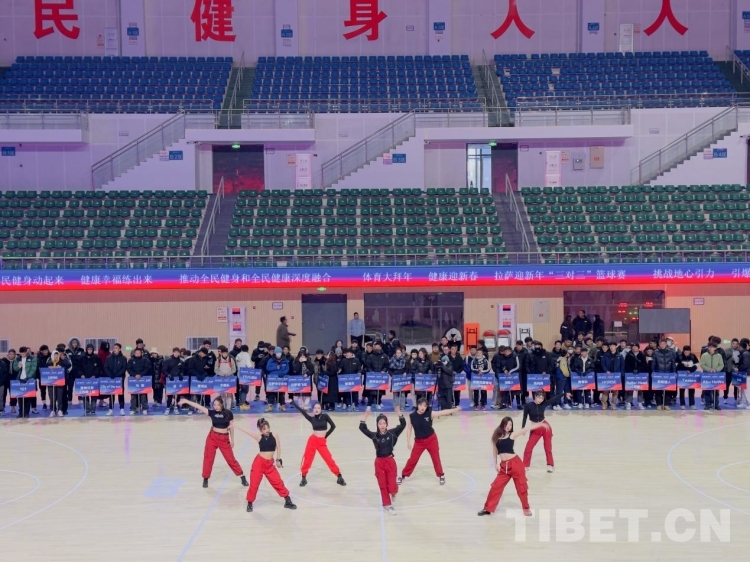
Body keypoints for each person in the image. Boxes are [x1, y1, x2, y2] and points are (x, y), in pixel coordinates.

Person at [477, 417, 543, 517]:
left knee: (521, 488)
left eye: (510, 425)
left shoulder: (512, 435)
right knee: (495, 487)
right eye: (507, 424)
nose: (508, 426)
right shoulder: (496, 437)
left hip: (516, 465)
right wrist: (495, 463)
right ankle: (488, 508)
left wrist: (540, 424)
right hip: (504, 467)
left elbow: (524, 429)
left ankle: (526, 508)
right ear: (502, 424)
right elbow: (495, 451)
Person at [179, 396, 248, 488]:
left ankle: (242, 476)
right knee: (208, 457)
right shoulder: (212, 413)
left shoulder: (228, 413)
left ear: (222, 405)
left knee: (230, 459)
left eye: (218, 405)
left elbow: (231, 427)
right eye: (214, 405)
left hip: (224, 439)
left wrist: (232, 440)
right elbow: (198, 406)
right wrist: (186, 400)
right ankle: (205, 478)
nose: (216, 407)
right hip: (212, 437)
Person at [235, 418, 297, 513]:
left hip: (269, 465)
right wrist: (235, 425)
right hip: (259, 463)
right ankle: (250, 502)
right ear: (261, 430)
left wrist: (278, 459)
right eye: (264, 429)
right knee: (254, 484)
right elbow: (247, 431)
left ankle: (287, 500)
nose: (267, 430)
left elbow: (279, 447)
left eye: (268, 428)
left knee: (278, 482)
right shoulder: (259, 437)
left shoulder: (275, 435)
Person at [398, 398, 460, 486]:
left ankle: (441, 475)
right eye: (421, 405)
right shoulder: (412, 416)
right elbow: (409, 429)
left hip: (431, 440)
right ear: (417, 405)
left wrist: (455, 409)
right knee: (412, 460)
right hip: (419, 442)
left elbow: (442, 412)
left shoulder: (430, 413)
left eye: (425, 406)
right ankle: (403, 475)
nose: (422, 407)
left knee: (436, 458)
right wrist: (408, 442)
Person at [359, 405, 406, 515]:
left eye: (384, 423)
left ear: (387, 424)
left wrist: (399, 412)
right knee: (382, 485)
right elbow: (362, 428)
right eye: (380, 423)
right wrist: (365, 415)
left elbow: (403, 424)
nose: (382, 425)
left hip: (390, 461)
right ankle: (387, 505)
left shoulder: (392, 433)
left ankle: (393, 493)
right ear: (377, 425)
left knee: (392, 487)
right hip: (379, 463)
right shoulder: (374, 436)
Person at [290, 400, 346, 487]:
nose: (316, 409)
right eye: (315, 408)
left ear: (321, 409)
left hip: (321, 442)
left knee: (329, 459)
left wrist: (325, 436)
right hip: (312, 441)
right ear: (313, 409)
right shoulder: (311, 419)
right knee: (308, 459)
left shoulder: (325, 416)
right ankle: (303, 477)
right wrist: (293, 403)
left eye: (318, 408)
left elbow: (333, 426)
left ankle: (339, 476)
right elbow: (302, 411)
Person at [522, 391, 566, 472]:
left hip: (545, 427)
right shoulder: (528, 405)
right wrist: (523, 428)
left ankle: (550, 465)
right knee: (528, 448)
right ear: (535, 396)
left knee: (548, 447)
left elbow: (554, 399)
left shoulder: (544, 404)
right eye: (539, 398)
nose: (540, 400)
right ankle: (525, 465)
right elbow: (525, 417)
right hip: (535, 428)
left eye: (542, 398)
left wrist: (564, 394)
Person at [42, 346, 71, 418]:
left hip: (60, 382)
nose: (56, 356)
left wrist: (63, 360)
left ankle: (60, 410)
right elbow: (44, 370)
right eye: (55, 355)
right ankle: (52, 410)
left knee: (60, 396)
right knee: (52, 397)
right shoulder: (49, 362)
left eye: (57, 355)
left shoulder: (62, 361)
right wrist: (49, 368)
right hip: (51, 383)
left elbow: (68, 365)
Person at [13, 347, 38, 418]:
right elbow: (15, 368)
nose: (22, 355)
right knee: (20, 397)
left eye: (24, 353)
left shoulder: (32, 358)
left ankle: (26, 412)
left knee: (28, 397)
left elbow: (33, 369)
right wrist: (18, 366)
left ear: (26, 352)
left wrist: (28, 377)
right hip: (19, 379)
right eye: (21, 353)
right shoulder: (17, 359)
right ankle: (21, 412)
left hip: (28, 379)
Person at [104, 343, 127, 416]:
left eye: (116, 348)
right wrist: (110, 374)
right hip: (111, 379)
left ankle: (122, 409)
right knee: (111, 394)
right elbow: (106, 367)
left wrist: (117, 375)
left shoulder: (123, 358)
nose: (114, 349)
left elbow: (124, 368)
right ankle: (110, 409)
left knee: (121, 393)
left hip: (120, 378)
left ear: (119, 349)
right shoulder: (108, 358)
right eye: (114, 348)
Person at [127, 347, 151, 415]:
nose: (137, 354)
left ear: (141, 353)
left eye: (139, 353)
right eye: (136, 353)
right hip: (133, 379)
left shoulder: (145, 360)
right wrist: (134, 375)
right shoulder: (131, 360)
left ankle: (144, 408)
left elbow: (147, 368)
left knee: (143, 394)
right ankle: (133, 408)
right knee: (133, 395)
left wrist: (141, 375)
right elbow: (128, 369)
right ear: (134, 353)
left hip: (143, 379)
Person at [600, 342, 624, 411]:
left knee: (615, 391)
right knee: (605, 391)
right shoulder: (605, 355)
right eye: (610, 346)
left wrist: (621, 374)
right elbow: (603, 364)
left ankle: (614, 404)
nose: (611, 347)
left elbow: (622, 366)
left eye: (613, 346)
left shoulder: (620, 355)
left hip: (616, 376)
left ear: (616, 347)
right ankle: (604, 404)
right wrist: (606, 370)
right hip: (607, 375)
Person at [701, 342, 724, 411]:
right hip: (706, 375)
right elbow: (702, 364)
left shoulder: (719, 356)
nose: (710, 348)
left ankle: (716, 404)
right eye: (709, 347)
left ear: (715, 348)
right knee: (707, 390)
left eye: (712, 347)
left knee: (716, 390)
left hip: (716, 375)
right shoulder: (704, 355)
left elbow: (721, 365)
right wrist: (709, 369)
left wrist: (716, 369)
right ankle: (708, 404)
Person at [80, 343, 103, 415]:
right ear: (86, 350)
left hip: (94, 379)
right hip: (84, 379)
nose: (90, 351)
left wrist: (95, 375)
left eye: (91, 349)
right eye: (88, 349)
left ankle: (93, 408)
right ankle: (87, 408)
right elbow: (79, 367)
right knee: (85, 394)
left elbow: (99, 367)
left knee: (94, 394)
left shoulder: (96, 357)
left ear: (93, 350)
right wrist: (81, 374)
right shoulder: (82, 357)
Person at [654, 339, 677, 411]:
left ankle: (666, 404)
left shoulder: (671, 352)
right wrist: (653, 372)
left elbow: (673, 363)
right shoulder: (656, 352)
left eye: (664, 344)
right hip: (658, 373)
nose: (662, 345)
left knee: (667, 390)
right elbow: (653, 363)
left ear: (666, 344)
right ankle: (659, 404)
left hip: (668, 373)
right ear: (659, 345)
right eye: (661, 344)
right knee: (658, 390)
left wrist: (674, 372)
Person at [265, 347, 289, 413]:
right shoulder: (271, 360)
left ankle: (282, 405)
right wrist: (276, 367)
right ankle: (270, 406)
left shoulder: (284, 360)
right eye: (277, 352)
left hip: (281, 379)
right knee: (271, 393)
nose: (279, 354)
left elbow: (287, 368)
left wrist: (283, 373)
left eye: (280, 352)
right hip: (273, 379)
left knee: (281, 393)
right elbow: (268, 368)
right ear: (275, 353)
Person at [366, 341, 390, 409]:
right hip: (373, 376)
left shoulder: (384, 356)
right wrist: (371, 371)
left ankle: (378, 402)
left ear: (381, 347)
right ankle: (369, 404)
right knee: (371, 391)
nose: (377, 348)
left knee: (380, 391)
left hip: (381, 376)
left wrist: (384, 370)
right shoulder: (371, 356)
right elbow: (368, 365)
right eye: (376, 347)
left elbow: (387, 365)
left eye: (378, 346)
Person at [677, 345, 700, 410]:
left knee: (691, 390)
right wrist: (684, 368)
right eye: (685, 352)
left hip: (691, 376)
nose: (687, 353)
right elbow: (676, 365)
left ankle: (692, 404)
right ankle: (682, 404)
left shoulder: (693, 356)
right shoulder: (679, 356)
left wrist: (691, 370)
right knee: (682, 390)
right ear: (683, 351)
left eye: (688, 352)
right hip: (682, 376)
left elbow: (697, 364)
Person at [163, 347, 185, 415]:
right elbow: (164, 370)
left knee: (177, 394)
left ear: (179, 353)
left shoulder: (181, 361)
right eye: (175, 352)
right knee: (170, 395)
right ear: (173, 352)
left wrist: (181, 374)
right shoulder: (168, 361)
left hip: (178, 380)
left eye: (177, 352)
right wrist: (168, 375)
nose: (176, 353)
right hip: (170, 380)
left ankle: (176, 407)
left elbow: (183, 370)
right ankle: (168, 407)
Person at [215, 345, 238, 411]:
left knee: (229, 394)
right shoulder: (218, 360)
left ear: (227, 353)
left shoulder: (231, 360)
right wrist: (222, 374)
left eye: (226, 353)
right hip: (221, 379)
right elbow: (216, 370)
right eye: (223, 353)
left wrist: (228, 374)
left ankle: (228, 408)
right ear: (221, 353)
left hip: (229, 379)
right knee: (222, 394)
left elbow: (234, 369)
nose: (225, 354)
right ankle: (223, 407)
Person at [235, 344, 253, 410]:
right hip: (245, 375)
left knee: (241, 389)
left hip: (239, 374)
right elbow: (248, 364)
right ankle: (242, 403)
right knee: (245, 390)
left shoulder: (238, 355)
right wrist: (251, 369)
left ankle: (241, 401)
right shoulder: (247, 355)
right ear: (247, 349)